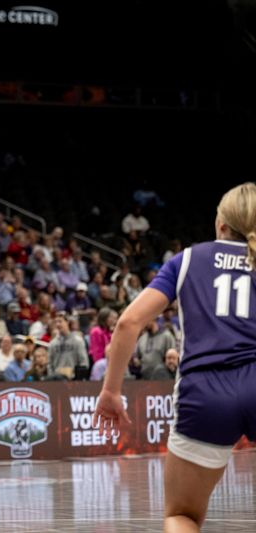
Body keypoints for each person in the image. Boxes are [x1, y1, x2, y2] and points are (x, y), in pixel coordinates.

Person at [93, 182, 256, 533]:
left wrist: (110, 391)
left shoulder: (188, 261)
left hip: (205, 392)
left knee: (182, 515)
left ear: (222, 226)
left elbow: (128, 323)